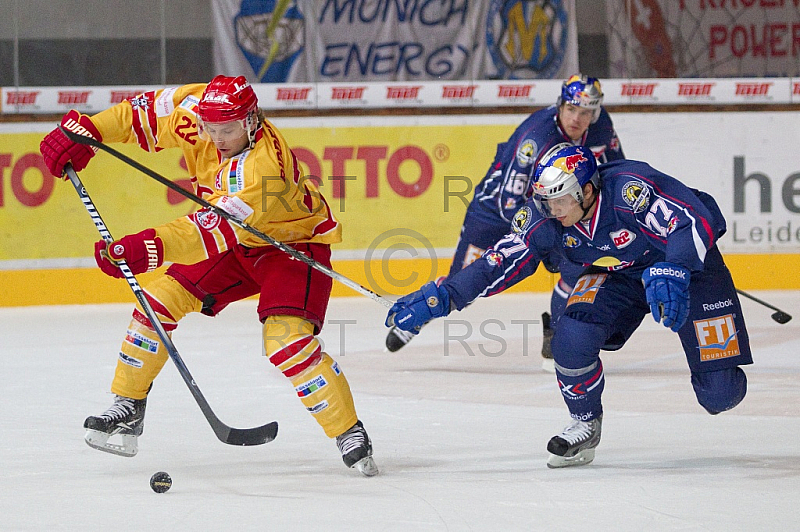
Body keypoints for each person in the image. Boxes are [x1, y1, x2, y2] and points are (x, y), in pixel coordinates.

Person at [39, 75, 378, 476]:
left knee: (286, 342)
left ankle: (348, 432)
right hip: (237, 245)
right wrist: (88, 131)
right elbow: (138, 114)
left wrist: (146, 247)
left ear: (252, 121)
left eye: (228, 129)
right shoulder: (196, 108)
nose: (217, 137)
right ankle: (128, 406)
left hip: (292, 249)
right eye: (211, 128)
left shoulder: (264, 169)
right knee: (156, 302)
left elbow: (210, 230)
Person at [385, 144, 752, 468]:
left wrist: (677, 265)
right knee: (571, 335)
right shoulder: (548, 217)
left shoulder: (630, 190)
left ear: (587, 190)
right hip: (622, 273)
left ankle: (718, 370)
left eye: (560, 200)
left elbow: (691, 220)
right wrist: (444, 297)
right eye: (546, 200)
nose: (552, 209)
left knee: (719, 395)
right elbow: (501, 261)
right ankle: (585, 422)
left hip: (685, 270)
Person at [384, 74, 625, 372]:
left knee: (577, 267)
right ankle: (422, 313)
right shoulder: (535, 138)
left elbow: (616, 170)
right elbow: (508, 202)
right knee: (466, 281)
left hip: (557, 207)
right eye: (572, 109)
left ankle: (559, 337)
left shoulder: (602, 126)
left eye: (586, 112)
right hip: (493, 211)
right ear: (560, 104)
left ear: (596, 112)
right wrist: (544, 235)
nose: (577, 118)